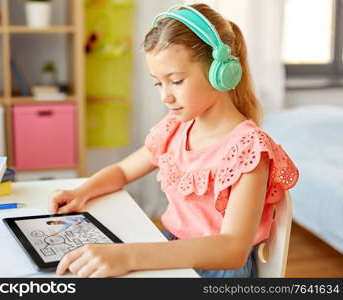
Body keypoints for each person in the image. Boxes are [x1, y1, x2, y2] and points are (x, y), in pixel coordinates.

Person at [49, 4, 299, 278]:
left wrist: (130, 255)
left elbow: (233, 248)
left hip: (218, 271)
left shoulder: (249, 149)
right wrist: (81, 192)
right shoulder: (174, 130)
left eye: (176, 81)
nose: (164, 96)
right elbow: (122, 171)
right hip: (170, 251)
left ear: (221, 73)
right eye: (158, 83)